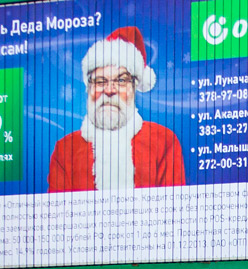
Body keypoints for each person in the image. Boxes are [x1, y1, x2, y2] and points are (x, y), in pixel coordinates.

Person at [49, 26, 186, 192]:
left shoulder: (164, 141)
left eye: (121, 81)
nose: (109, 90)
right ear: (88, 88)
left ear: (135, 86)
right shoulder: (65, 150)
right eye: (100, 81)